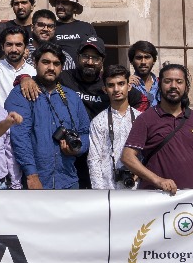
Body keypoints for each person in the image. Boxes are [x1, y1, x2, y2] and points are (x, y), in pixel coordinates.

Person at [60, 36, 145, 187]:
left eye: (95, 58)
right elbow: (42, 78)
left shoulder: (109, 81)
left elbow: (143, 101)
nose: (90, 62)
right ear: (77, 57)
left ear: (102, 60)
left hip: (115, 162)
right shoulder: (64, 77)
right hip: (75, 154)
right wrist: (24, 78)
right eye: (85, 56)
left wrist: (133, 122)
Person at [121, 64, 193, 195]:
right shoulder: (145, 119)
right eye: (168, 81)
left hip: (189, 198)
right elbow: (127, 157)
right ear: (160, 85)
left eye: (179, 82)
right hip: (155, 197)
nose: (173, 86)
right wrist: (158, 181)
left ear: (186, 86)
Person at [6, 44, 90, 190]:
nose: (51, 67)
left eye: (56, 64)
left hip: (68, 181)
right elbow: (19, 137)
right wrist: (31, 175)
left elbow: (85, 132)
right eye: (46, 62)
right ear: (35, 63)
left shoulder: (71, 97)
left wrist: (77, 148)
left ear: (62, 67)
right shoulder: (21, 94)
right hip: (34, 181)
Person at [88, 65, 138, 191]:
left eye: (121, 83)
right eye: (111, 85)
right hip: (108, 190)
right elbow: (94, 160)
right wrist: (99, 194)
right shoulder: (98, 121)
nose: (116, 89)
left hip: (139, 190)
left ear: (129, 86)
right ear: (105, 89)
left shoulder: (141, 119)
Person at [49, 0, 97, 69]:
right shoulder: (50, 27)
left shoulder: (86, 27)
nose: (59, 6)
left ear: (74, 8)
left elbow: (96, 52)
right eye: (57, 3)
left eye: (64, 3)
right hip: (58, 77)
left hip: (82, 77)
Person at [0, 28, 35, 111]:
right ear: (2, 47)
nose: (14, 49)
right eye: (9, 45)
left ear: (25, 47)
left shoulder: (34, 72)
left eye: (18, 45)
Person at [128, 40, 160, 107]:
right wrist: (124, 84)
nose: (143, 62)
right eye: (139, 58)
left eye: (147, 57)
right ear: (131, 61)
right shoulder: (128, 85)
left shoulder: (161, 84)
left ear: (154, 60)